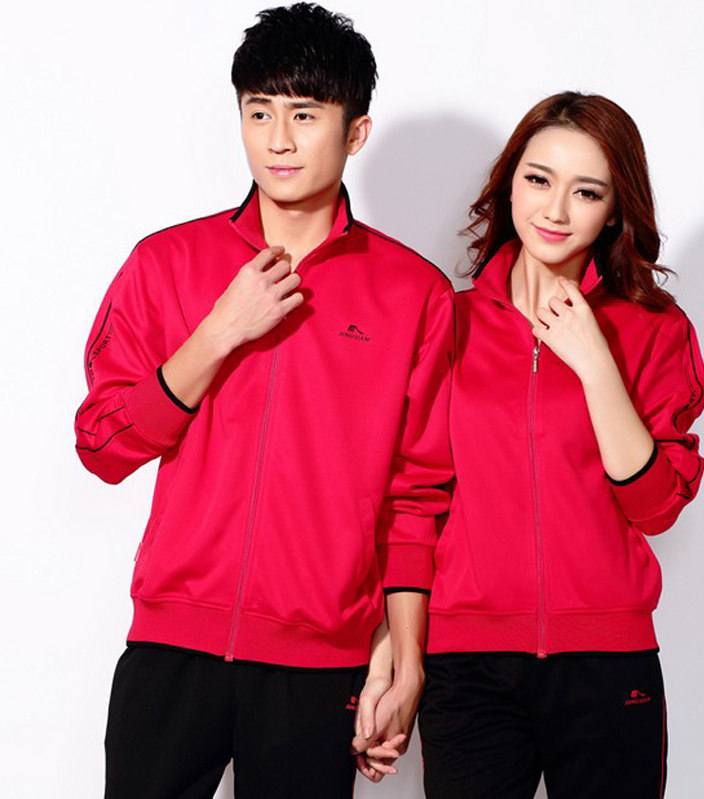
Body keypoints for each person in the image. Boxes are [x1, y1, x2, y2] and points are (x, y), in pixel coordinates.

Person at [74, 4, 453, 797]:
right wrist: (218, 332)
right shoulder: (166, 263)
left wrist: (405, 657)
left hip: (318, 663)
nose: (277, 139)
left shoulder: (413, 293)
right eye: (259, 112)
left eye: (304, 115)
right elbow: (103, 444)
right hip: (172, 645)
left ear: (355, 132)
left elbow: (416, 495)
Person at [418, 91, 704, 798]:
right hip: (467, 662)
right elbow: (413, 497)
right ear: (509, 183)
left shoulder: (655, 330)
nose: (555, 210)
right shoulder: (447, 324)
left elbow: (656, 507)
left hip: (607, 660)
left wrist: (595, 361)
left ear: (614, 209)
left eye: (586, 192)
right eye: (539, 179)